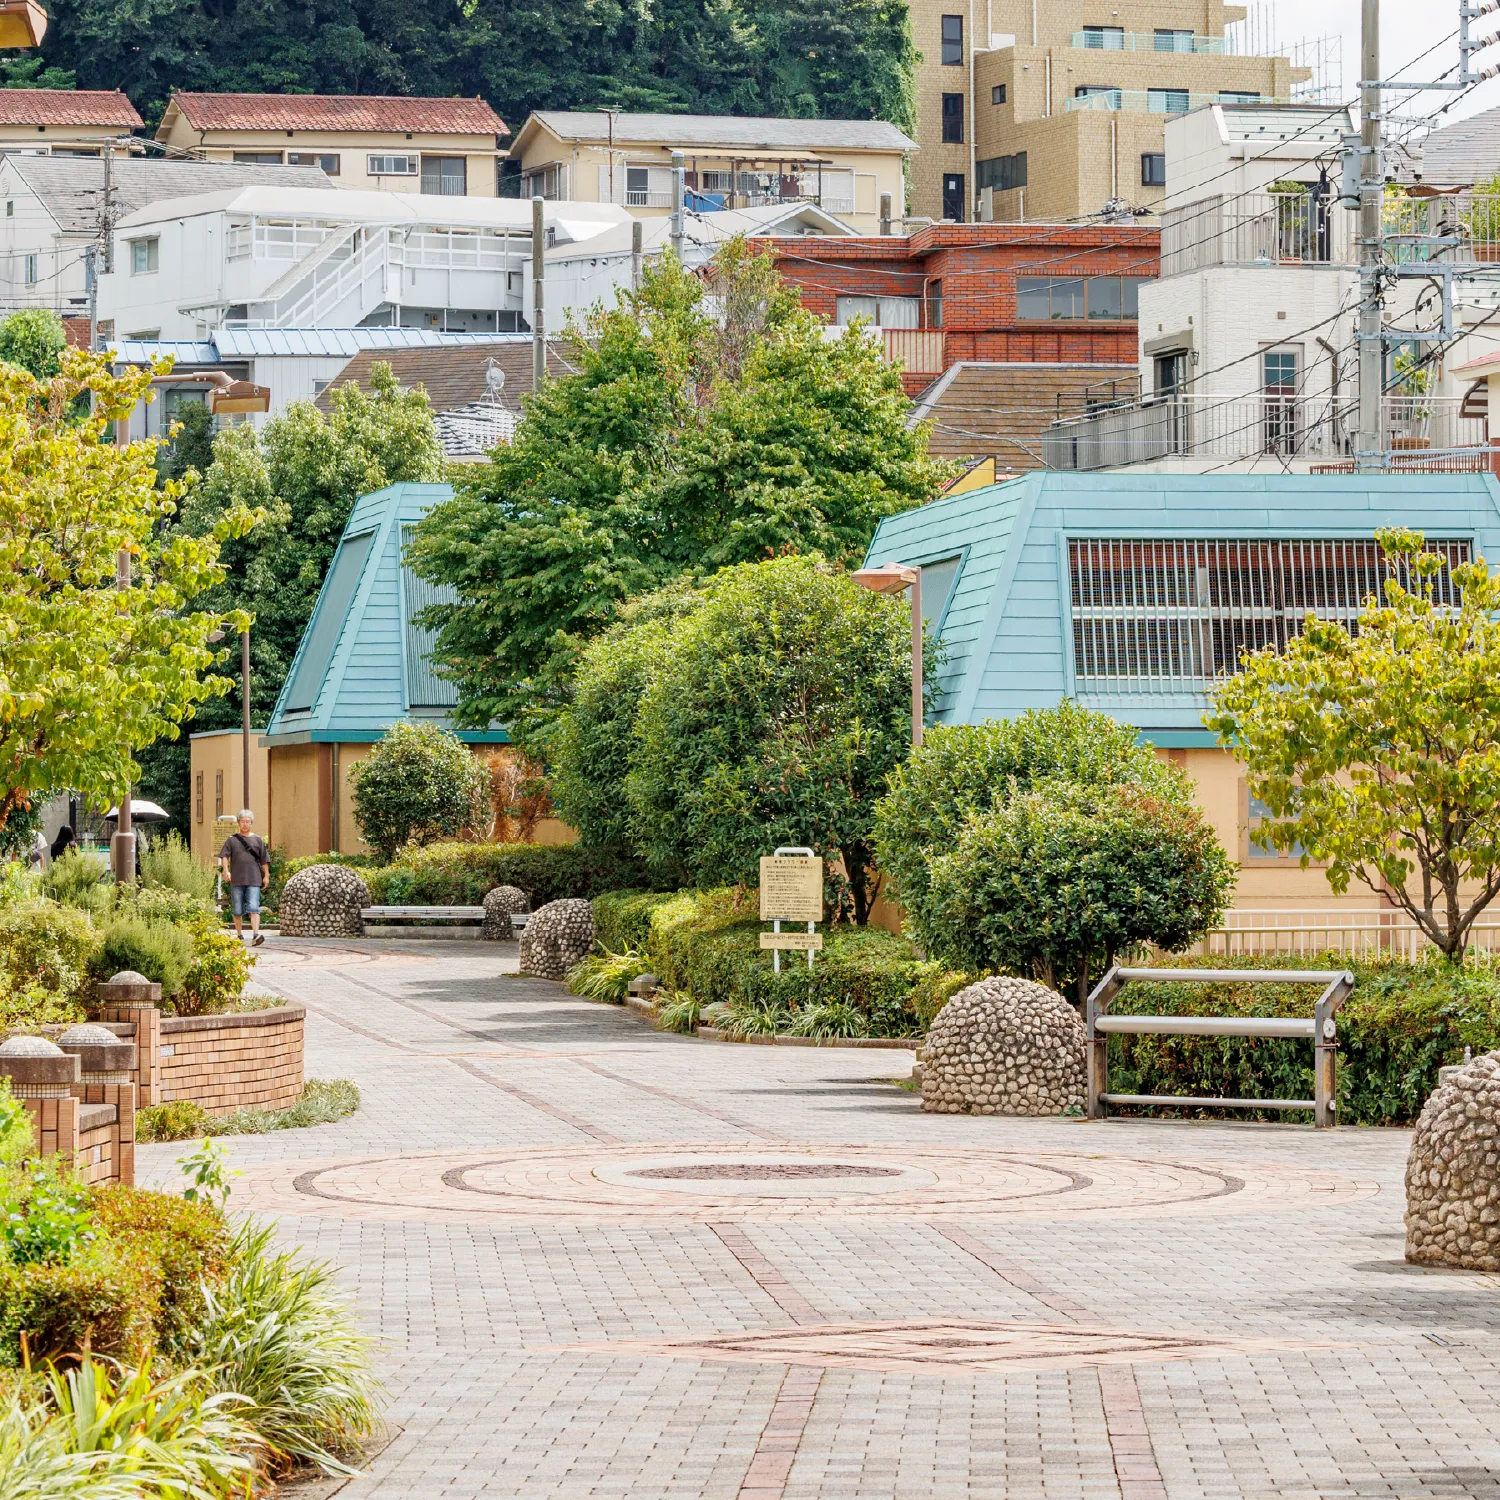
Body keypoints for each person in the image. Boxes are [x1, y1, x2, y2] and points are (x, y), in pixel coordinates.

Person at [219, 810, 270, 946]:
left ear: (251, 823)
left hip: (254, 879)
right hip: (237, 880)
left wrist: (266, 876)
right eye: (243, 821)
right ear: (238, 823)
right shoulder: (232, 840)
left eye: (248, 822)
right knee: (237, 910)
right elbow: (224, 856)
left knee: (254, 907)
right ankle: (239, 935)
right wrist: (226, 871)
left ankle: (255, 935)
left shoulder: (258, 840)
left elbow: (264, 860)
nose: (245, 824)